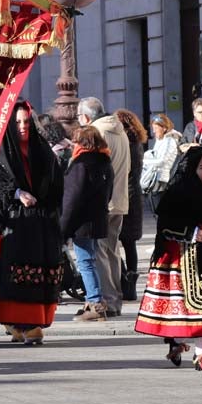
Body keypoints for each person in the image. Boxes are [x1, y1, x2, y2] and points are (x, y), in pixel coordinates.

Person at [135, 147, 202, 371]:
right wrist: (191, 232)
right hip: (181, 262)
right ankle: (201, 351)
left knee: (197, 310)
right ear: (192, 169)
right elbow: (166, 225)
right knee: (191, 310)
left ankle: (178, 342)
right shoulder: (178, 192)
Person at [0, 102, 64, 344]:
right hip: (11, 224)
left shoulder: (42, 149)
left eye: (26, 122)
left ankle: (29, 322)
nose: (23, 127)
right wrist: (16, 193)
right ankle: (23, 323)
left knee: (38, 276)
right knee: (14, 277)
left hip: (41, 223)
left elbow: (55, 182)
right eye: (17, 123)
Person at [77, 97, 130, 317]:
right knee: (112, 251)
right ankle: (115, 300)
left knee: (99, 252)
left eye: (80, 117)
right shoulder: (120, 130)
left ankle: (106, 301)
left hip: (103, 202)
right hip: (119, 199)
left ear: (87, 117)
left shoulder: (96, 132)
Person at [59, 125, 114, 322]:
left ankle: (95, 302)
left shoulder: (81, 163)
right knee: (90, 260)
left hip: (81, 222)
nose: (73, 144)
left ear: (82, 143)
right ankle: (92, 302)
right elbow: (109, 193)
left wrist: (63, 228)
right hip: (96, 219)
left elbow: (71, 199)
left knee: (85, 262)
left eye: (76, 141)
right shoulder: (105, 161)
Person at [115, 109, 147, 301]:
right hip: (135, 194)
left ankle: (125, 280)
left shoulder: (124, 140)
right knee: (129, 243)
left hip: (123, 194)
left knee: (111, 242)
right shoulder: (137, 141)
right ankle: (131, 284)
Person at [140, 114, 182, 213]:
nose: (153, 131)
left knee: (160, 211)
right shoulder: (161, 140)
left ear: (164, 128)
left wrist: (144, 161)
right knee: (156, 210)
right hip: (156, 179)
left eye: (155, 128)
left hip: (162, 181)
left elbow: (163, 160)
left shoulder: (169, 141)